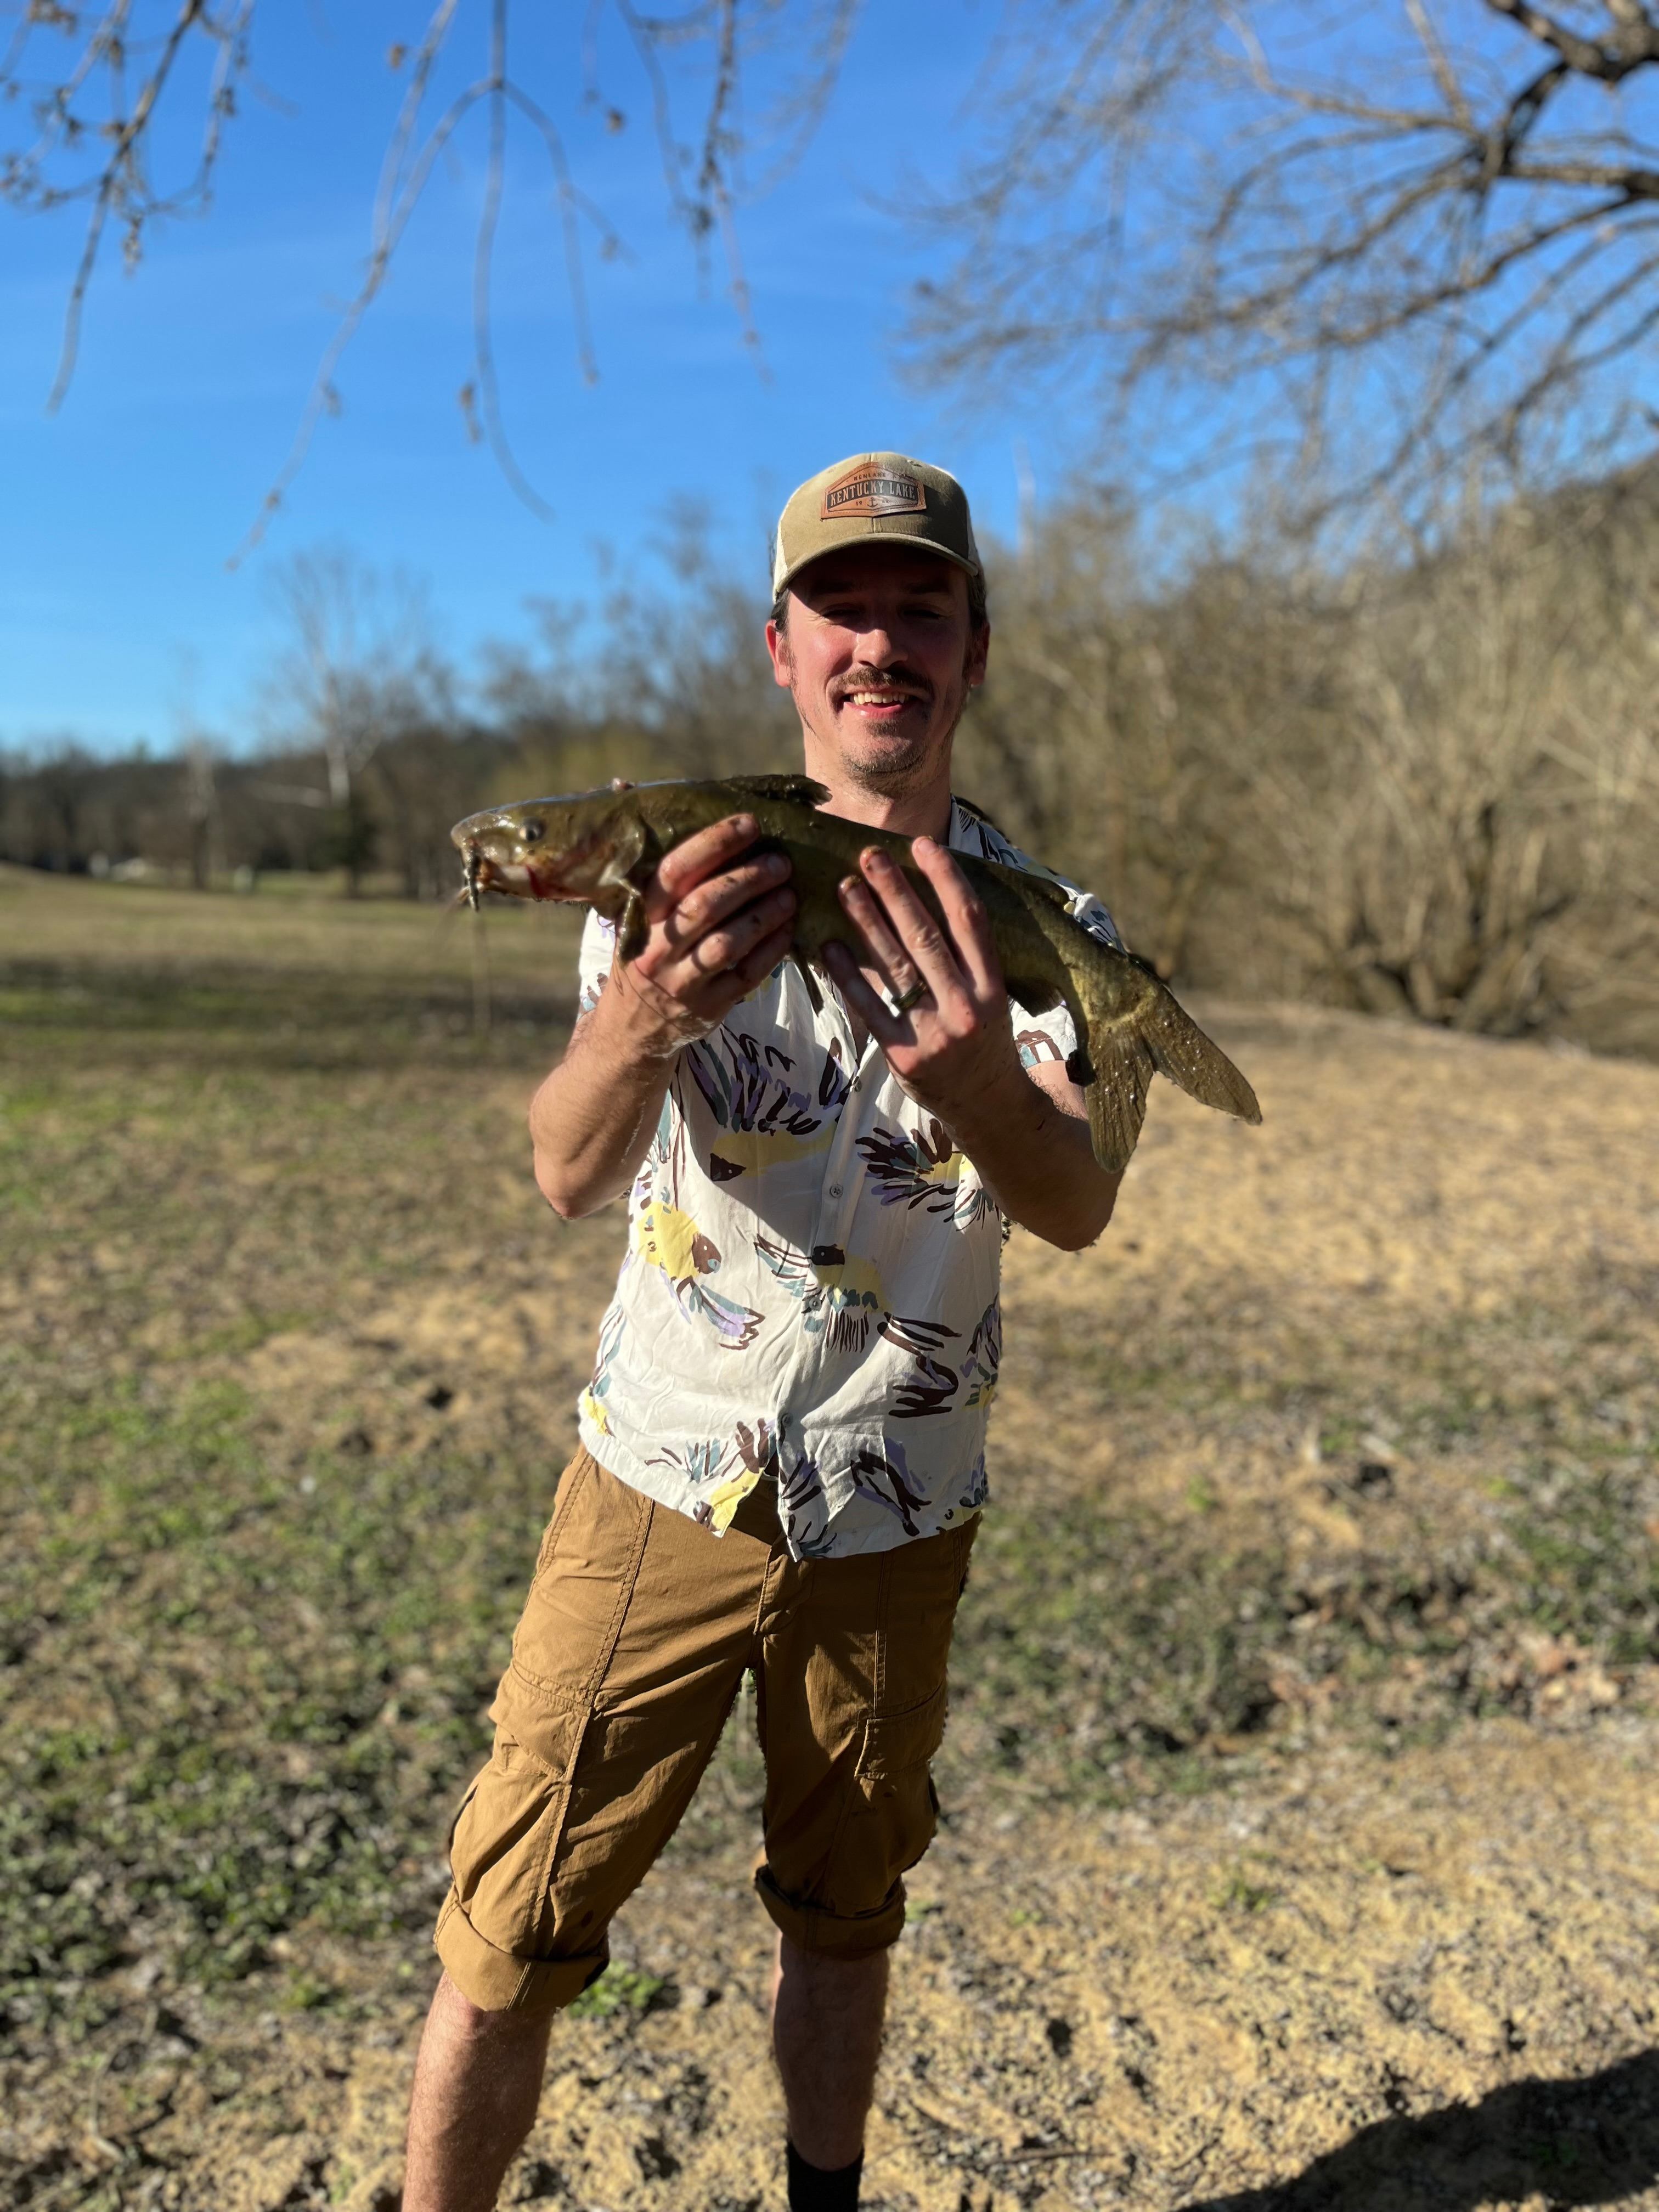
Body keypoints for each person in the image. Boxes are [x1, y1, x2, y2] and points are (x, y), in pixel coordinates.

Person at [402, 452, 1126, 2212]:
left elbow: (1077, 1202)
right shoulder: (666, 887)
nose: (881, 643)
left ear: (974, 650)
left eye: (920, 609)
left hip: (896, 1503)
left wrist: (978, 1080)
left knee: (845, 1910)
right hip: (658, 1479)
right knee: (510, 1924)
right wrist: (643, 1012)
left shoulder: (1059, 938)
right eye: (841, 610)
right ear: (781, 648)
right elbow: (566, 1171)